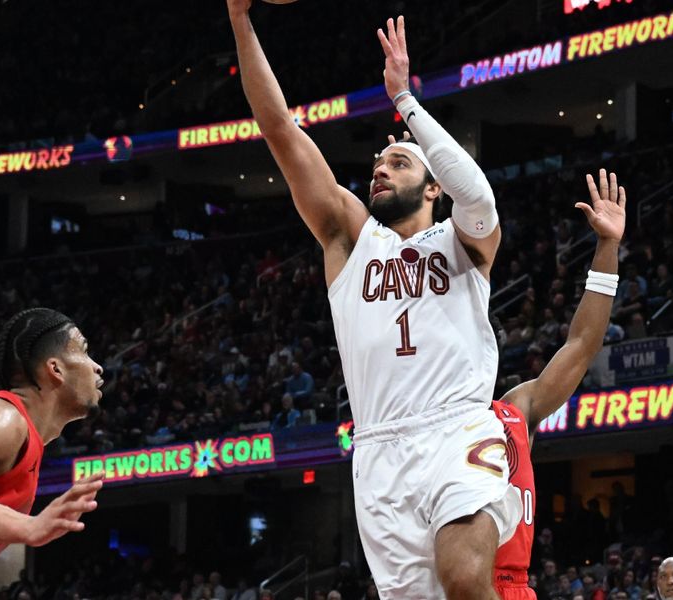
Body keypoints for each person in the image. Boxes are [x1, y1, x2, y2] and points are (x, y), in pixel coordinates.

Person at [227, 4, 518, 599]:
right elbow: (278, 128)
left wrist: (405, 101)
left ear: (433, 185)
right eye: (378, 162)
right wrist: (239, 18)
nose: (379, 170)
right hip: (379, 448)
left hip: (457, 427)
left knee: (465, 581)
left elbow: (479, 193)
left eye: (399, 161)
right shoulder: (349, 239)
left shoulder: (466, 241)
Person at [491, 170, 626, 600]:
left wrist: (606, 247)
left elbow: (582, 344)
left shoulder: (514, 410)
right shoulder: (427, 414)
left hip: (514, 586)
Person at [0, 308, 105, 597]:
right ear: (55, 369)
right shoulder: (2, 418)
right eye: (84, 351)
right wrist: (28, 527)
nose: (98, 367)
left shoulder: (22, 442)